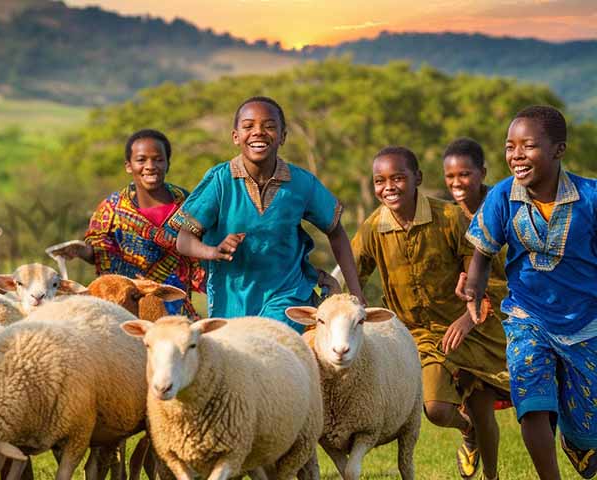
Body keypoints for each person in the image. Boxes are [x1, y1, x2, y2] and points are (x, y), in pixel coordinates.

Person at [351, 146, 510, 480]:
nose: (389, 187)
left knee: (483, 408)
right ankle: (467, 433)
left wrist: (469, 318)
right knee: (436, 409)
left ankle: (492, 476)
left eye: (398, 178)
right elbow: (353, 275)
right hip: (419, 336)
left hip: (470, 328)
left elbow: (483, 276)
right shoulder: (372, 228)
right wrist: (347, 306)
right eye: (380, 180)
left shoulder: (449, 218)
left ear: (418, 179)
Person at [458, 106, 597, 480]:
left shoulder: (590, 198)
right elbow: (483, 251)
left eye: (529, 146)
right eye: (510, 146)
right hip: (526, 317)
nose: (517, 155)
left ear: (559, 150)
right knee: (533, 403)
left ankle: (578, 442)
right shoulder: (503, 196)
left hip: (586, 323)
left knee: (588, 431)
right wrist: (474, 286)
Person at [174, 96, 365, 331]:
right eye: (248, 126)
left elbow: (335, 231)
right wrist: (213, 251)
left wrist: (355, 292)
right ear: (236, 136)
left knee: (275, 346)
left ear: (283, 136)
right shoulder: (220, 181)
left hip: (288, 295)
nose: (259, 132)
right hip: (231, 299)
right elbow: (184, 240)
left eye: (269, 126)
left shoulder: (302, 183)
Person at [50, 129, 205, 317]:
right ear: (128, 166)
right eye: (141, 160)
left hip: (173, 303)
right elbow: (99, 252)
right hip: (122, 306)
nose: (150, 166)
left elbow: (201, 246)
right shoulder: (111, 209)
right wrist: (80, 250)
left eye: (158, 159)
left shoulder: (187, 204)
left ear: (167, 164)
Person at [442, 137, 512, 480]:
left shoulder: (504, 205)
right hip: (463, 321)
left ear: (483, 173)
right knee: (479, 406)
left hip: (506, 317)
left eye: (465, 175)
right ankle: (490, 473)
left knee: (539, 404)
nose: (457, 184)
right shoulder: (446, 216)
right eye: (450, 177)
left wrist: (477, 289)